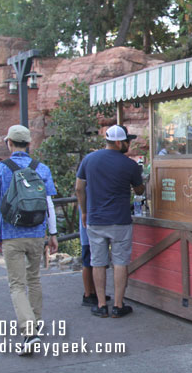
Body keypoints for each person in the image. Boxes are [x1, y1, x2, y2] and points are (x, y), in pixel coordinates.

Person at [0, 124, 58, 355]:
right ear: (29, 144)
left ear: (9, 143)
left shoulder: (0, 169)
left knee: (17, 285)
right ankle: (35, 322)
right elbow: (49, 204)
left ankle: (30, 333)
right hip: (36, 233)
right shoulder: (41, 168)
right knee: (34, 280)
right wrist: (52, 234)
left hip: (12, 234)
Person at [75, 125, 144, 318]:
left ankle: (101, 305)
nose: (129, 145)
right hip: (120, 220)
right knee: (120, 262)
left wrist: (84, 212)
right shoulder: (129, 164)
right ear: (118, 142)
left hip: (95, 219)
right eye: (127, 141)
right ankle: (118, 305)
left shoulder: (89, 160)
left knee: (98, 262)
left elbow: (79, 188)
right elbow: (139, 190)